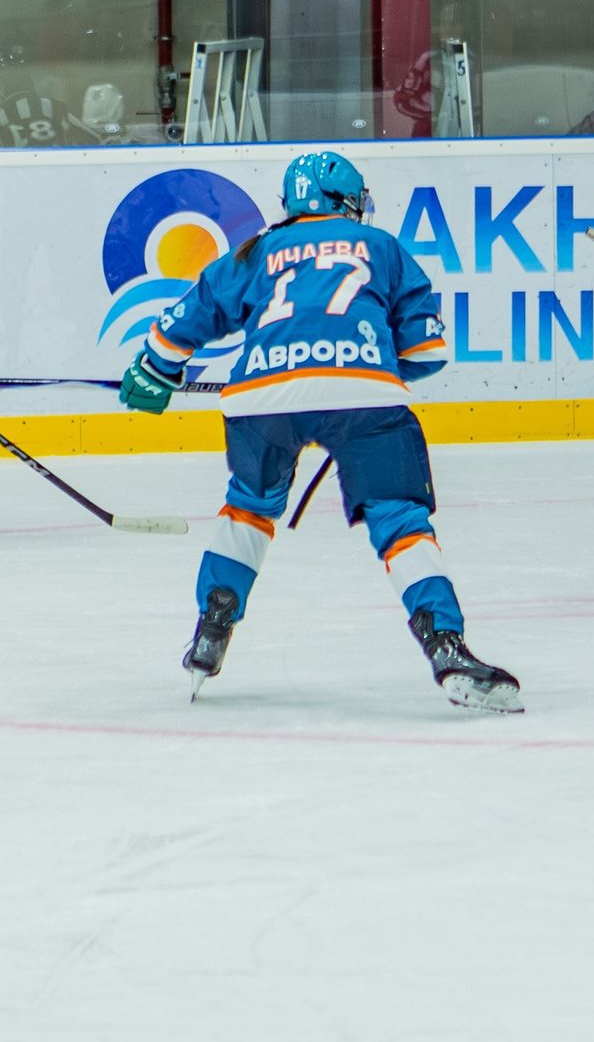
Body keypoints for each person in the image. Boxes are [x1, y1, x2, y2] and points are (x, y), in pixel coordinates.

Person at [119, 150, 518, 713]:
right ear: (346, 201)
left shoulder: (257, 250)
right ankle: (446, 647)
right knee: (399, 520)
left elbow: (184, 321)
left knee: (249, 507)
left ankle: (212, 628)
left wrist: (156, 369)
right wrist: (362, 363)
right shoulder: (381, 247)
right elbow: (427, 353)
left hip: (260, 399)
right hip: (364, 399)